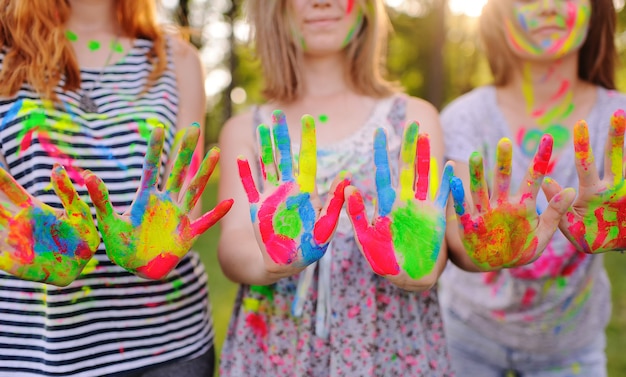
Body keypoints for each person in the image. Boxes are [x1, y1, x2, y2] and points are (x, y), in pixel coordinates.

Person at [217, 0, 458, 375]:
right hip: (278, 349)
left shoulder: (412, 118)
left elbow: (429, 251)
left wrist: (412, 268)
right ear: (273, 9)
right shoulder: (247, 131)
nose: (322, 2)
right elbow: (233, 247)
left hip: (389, 346)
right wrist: (275, 259)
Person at [0, 0, 230, 375]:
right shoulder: (4, 51)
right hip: (31, 353)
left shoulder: (178, 60)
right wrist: (26, 244)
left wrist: (156, 245)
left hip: (170, 351)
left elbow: (183, 194)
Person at [440, 0, 626, 375]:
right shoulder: (464, 117)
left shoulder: (618, 120)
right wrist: (489, 248)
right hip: (467, 334)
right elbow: (456, 243)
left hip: (571, 343)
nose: (547, 7)